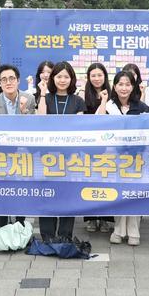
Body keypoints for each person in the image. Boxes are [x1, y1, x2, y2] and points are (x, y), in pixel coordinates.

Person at [37, 61, 86, 241]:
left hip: (70, 157)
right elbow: (40, 119)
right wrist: (43, 94)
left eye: (66, 77)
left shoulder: (78, 101)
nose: (62, 80)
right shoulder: (47, 98)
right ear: (53, 78)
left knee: (68, 195)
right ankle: (47, 235)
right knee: (47, 194)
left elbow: (79, 127)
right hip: (47, 156)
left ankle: (65, 235)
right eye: (59, 76)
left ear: (72, 79)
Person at [0, 64, 36, 227]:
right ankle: (1, 226)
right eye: (4, 79)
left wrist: (24, 113)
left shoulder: (29, 99)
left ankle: (20, 225)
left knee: (21, 193)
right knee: (2, 194)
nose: (8, 82)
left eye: (12, 78)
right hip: (1, 155)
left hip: (23, 155)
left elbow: (34, 128)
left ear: (18, 80)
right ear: (0, 82)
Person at [104, 71, 149, 246]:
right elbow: (98, 125)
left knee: (134, 194)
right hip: (114, 157)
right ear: (115, 86)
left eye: (127, 84)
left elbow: (147, 134)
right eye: (120, 84)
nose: (124, 88)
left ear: (133, 87)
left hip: (136, 158)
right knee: (118, 193)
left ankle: (134, 231)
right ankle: (118, 230)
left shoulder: (142, 108)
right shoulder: (108, 106)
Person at [78, 63, 113, 233]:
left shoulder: (112, 95)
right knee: (90, 180)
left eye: (100, 75)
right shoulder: (83, 95)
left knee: (106, 180)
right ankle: (91, 218)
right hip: (89, 145)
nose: (97, 78)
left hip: (108, 145)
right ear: (88, 78)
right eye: (93, 75)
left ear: (105, 76)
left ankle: (105, 219)